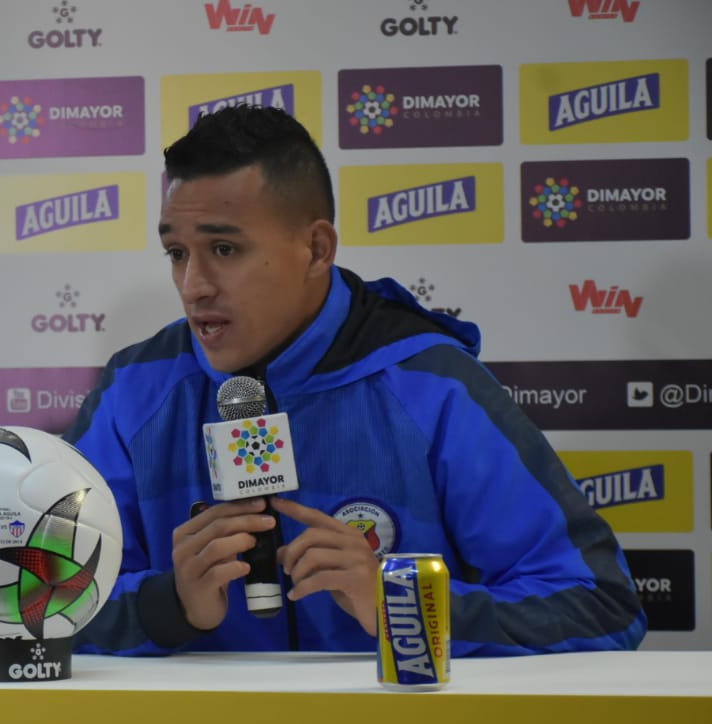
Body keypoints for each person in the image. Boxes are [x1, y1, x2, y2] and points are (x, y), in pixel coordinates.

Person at [65, 105, 646, 656]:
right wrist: (170, 606)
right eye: (175, 253)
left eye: (224, 248)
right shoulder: (132, 391)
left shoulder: (431, 384)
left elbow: (601, 608)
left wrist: (404, 607)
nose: (194, 285)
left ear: (316, 248)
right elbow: (33, 605)